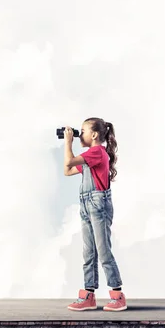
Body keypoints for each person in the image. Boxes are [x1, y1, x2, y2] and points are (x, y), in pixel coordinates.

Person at [63, 117, 127, 312]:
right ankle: (89, 295)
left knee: (103, 250)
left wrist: (68, 143)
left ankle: (118, 295)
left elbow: (69, 160)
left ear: (94, 135)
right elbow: (67, 171)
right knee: (88, 252)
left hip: (98, 205)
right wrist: (70, 145)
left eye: (82, 131)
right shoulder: (90, 157)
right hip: (86, 205)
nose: (79, 134)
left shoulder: (97, 152)